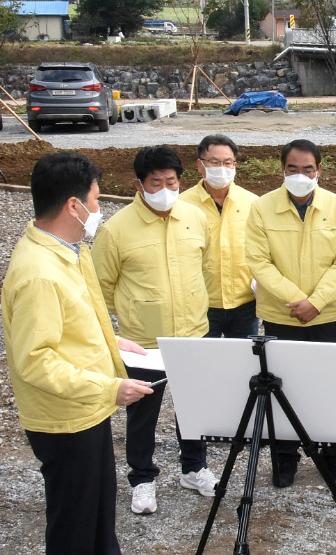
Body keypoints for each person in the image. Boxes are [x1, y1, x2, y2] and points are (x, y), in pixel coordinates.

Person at [2, 153, 153, 554]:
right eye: (97, 199)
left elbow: (71, 322)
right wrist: (110, 388)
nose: (99, 209)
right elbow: (36, 358)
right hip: (64, 419)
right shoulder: (39, 273)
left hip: (84, 410)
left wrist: (112, 342)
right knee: (74, 525)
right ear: (73, 205)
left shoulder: (65, 249)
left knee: (98, 515)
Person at [91, 146, 217, 515]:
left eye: (172, 182)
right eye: (156, 183)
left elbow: (203, 266)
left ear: (182, 181)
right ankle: (142, 478)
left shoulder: (195, 217)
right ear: (139, 184)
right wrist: (135, 313)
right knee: (142, 412)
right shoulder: (117, 230)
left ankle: (194, 467)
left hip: (193, 333)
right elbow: (102, 286)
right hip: (144, 342)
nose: (165, 189)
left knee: (194, 407)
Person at [245, 139, 336, 488]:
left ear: (319, 170)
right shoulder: (262, 209)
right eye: (292, 169)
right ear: (282, 170)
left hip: (326, 316)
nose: (300, 175)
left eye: (307, 169)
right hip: (281, 316)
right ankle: (285, 458)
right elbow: (259, 262)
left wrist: (317, 301)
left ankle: (331, 454)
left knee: (327, 386)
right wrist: (296, 300)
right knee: (282, 387)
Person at [182, 135, 259, 338]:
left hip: (245, 304)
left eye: (228, 162)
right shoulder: (182, 205)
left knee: (244, 363)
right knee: (205, 363)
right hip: (200, 304)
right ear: (200, 165)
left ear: (235, 165)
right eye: (214, 162)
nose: (222, 168)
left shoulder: (253, 203)